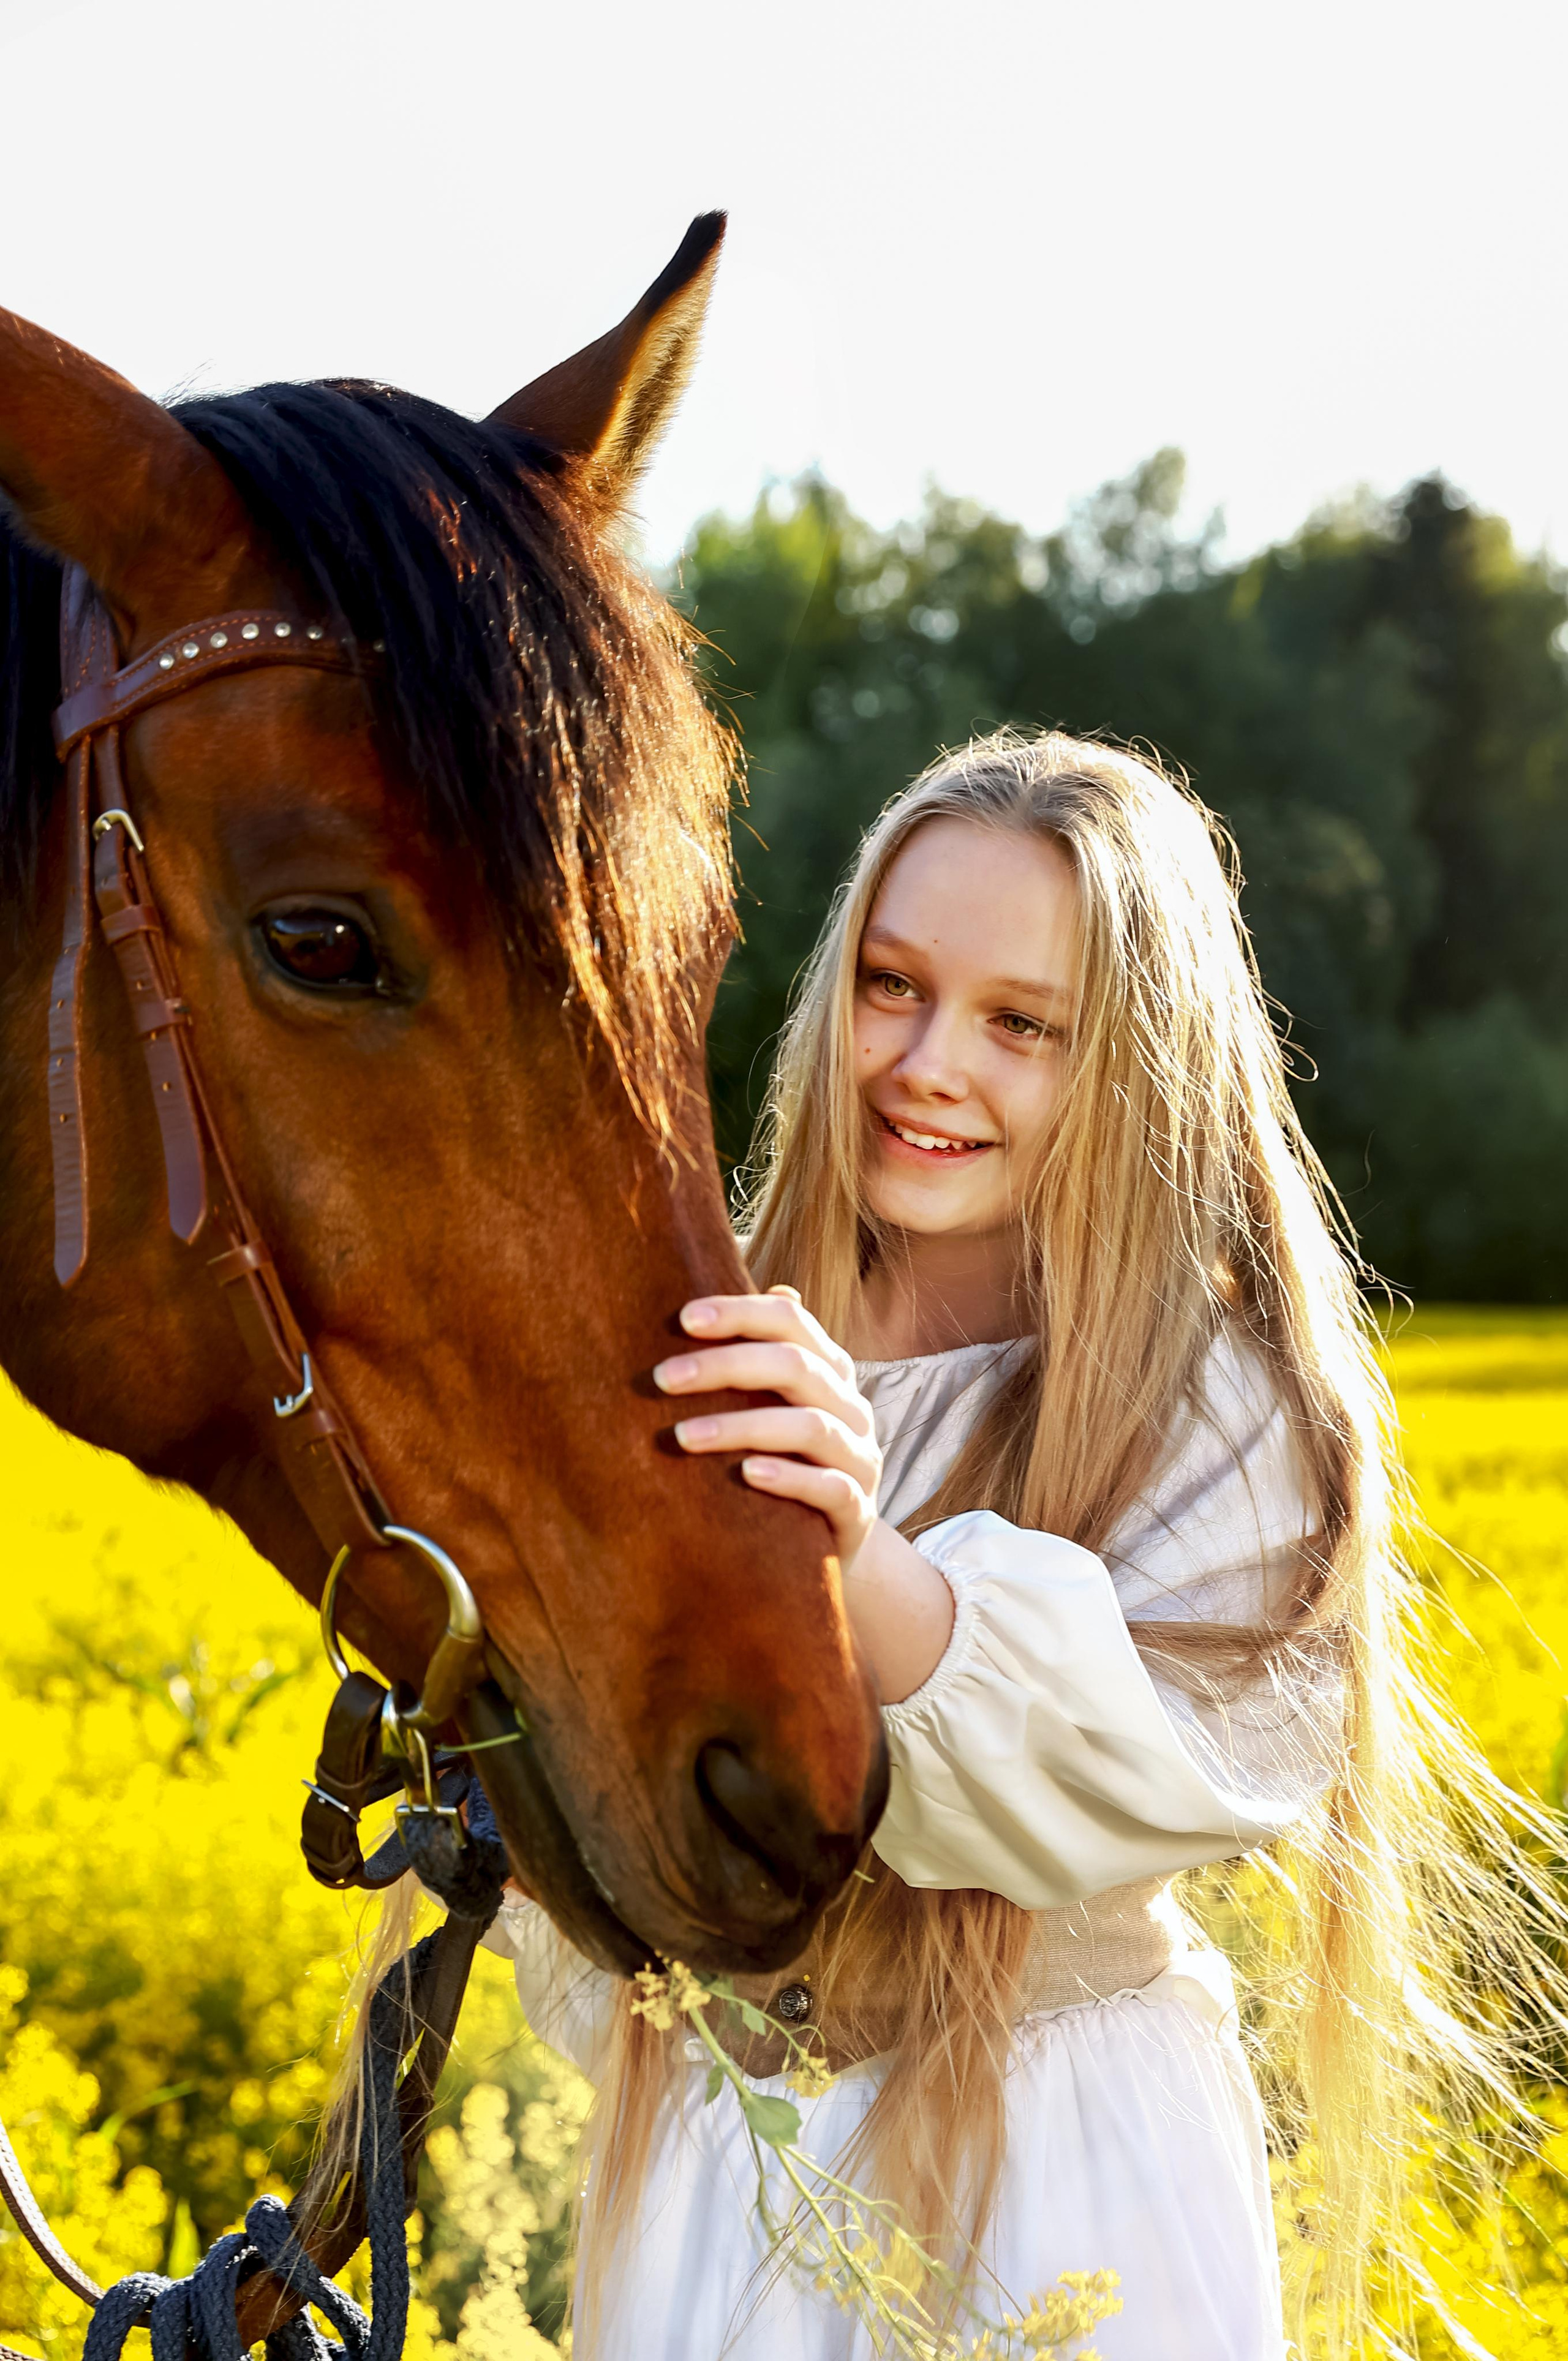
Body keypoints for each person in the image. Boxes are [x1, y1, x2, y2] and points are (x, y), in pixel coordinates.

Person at [480, 731, 1556, 2360]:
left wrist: (850, 1552)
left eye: (1022, 1027)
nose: (928, 1064)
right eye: (893, 985)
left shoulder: (1220, 1409)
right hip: (717, 2182)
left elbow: (1146, 1784)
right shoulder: (712, 1339)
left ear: (1136, 1058)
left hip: (1056, 2193)